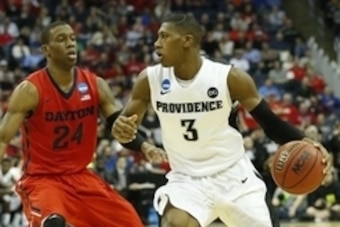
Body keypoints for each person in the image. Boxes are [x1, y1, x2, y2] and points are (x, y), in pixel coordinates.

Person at [112, 13, 332, 227]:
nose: (156, 43)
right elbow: (125, 132)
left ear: (187, 40)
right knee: (174, 223)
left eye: (164, 36)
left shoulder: (229, 78)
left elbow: (271, 124)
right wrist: (136, 141)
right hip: (187, 180)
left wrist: (308, 141)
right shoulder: (149, 80)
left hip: (235, 176)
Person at [0, 21, 161, 227]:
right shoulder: (29, 90)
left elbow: (120, 127)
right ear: (46, 50)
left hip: (81, 176)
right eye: (61, 39)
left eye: (72, 39)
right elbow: (3, 138)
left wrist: (144, 146)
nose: (70, 44)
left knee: (130, 221)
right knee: (53, 223)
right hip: (43, 179)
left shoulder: (96, 85)